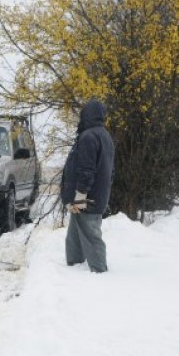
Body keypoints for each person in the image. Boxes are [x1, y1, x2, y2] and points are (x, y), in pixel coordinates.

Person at [61, 99, 115, 273]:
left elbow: (86, 170)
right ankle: (74, 265)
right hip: (95, 195)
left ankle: (100, 271)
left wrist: (80, 196)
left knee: (91, 235)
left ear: (87, 115)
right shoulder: (104, 135)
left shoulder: (89, 137)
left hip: (87, 198)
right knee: (75, 234)